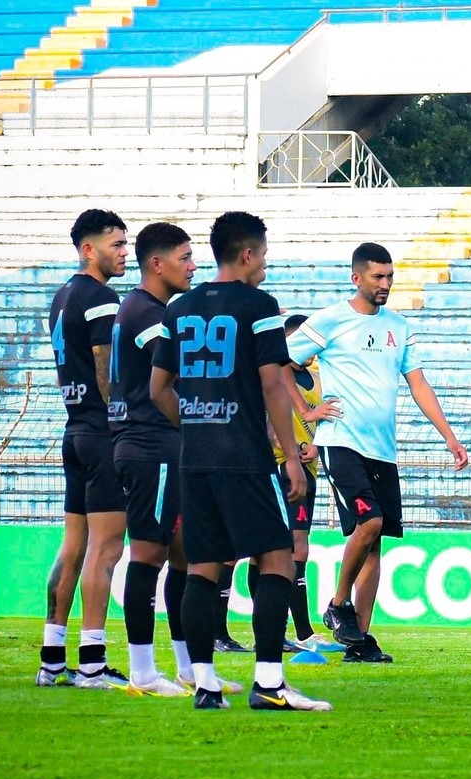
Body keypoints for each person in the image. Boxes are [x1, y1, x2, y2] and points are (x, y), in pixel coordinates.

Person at [149, 210, 329, 712]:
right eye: (265, 255)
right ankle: (269, 683)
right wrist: (290, 458)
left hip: (196, 457)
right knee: (276, 558)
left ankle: (205, 685)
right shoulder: (259, 305)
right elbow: (274, 381)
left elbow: (158, 389)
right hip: (246, 457)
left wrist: (195, 424)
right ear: (247, 254)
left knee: (203, 566)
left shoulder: (179, 309)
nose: (266, 265)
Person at [285, 242, 470, 664]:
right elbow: (279, 363)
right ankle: (336, 604)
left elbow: (418, 384)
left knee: (375, 544)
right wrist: (307, 411)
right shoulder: (330, 320)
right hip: (340, 440)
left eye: (389, 277)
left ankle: (359, 641)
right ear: (357, 278)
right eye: (377, 277)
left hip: (382, 448)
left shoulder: (399, 327)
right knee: (370, 521)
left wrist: (449, 436)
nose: (385, 284)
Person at [38, 208, 130, 690]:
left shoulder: (61, 296)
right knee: (106, 548)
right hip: (101, 433)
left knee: (73, 547)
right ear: (88, 249)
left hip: (74, 429)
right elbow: (104, 368)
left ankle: (52, 660)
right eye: (116, 244)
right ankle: (92, 663)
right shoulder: (100, 297)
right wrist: (121, 424)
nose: (124, 252)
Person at [109, 222, 197, 698]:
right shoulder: (148, 314)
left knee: (182, 553)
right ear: (157, 264)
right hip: (151, 445)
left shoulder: (143, 309)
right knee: (149, 555)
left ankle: (186, 666)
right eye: (184, 257)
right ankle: (142, 670)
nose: (193, 265)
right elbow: (167, 385)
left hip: (152, 444)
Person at [247, 314, 344, 655]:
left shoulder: (319, 378)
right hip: (278, 468)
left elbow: (333, 415)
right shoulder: (271, 378)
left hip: (310, 469)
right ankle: (299, 631)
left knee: (283, 550)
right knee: (288, 549)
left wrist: (318, 444)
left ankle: (281, 630)